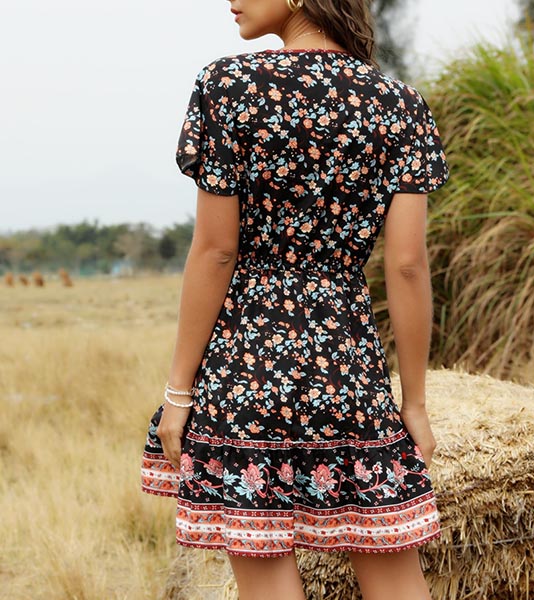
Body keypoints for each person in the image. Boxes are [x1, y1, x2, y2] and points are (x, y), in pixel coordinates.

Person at [140, 0, 450, 598]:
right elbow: (407, 266)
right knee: (391, 568)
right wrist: (413, 402)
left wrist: (179, 390)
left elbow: (216, 252)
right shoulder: (400, 105)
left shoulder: (229, 87)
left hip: (247, 367)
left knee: (266, 576)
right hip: (348, 368)